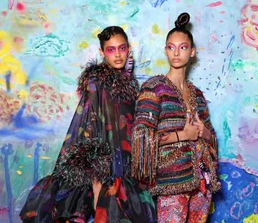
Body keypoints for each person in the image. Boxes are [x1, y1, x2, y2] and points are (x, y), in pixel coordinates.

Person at [20, 26, 156, 223]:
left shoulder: (131, 85)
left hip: (125, 168)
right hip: (103, 174)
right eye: (111, 49)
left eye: (122, 48)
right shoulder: (97, 83)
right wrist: (97, 189)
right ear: (102, 53)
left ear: (128, 50)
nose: (118, 55)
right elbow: (91, 135)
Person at [131, 13, 221, 223]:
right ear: (165, 51)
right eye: (171, 47)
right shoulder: (154, 88)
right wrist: (183, 135)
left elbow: (212, 137)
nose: (176, 53)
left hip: (203, 179)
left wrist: (203, 132)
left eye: (182, 47)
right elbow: (141, 137)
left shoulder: (197, 94)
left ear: (192, 52)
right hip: (172, 179)